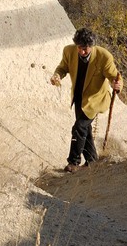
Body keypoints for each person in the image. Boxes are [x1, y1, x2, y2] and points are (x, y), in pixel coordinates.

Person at [50, 27, 122, 171]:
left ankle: (73, 162)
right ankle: (92, 160)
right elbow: (62, 68)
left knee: (79, 128)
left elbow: (114, 77)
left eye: (85, 49)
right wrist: (57, 75)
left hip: (96, 99)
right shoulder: (69, 51)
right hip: (78, 97)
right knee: (85, 129)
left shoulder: (104, 56)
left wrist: (117, 85)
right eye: (79, 48)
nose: (81, 51)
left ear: (92, 46)